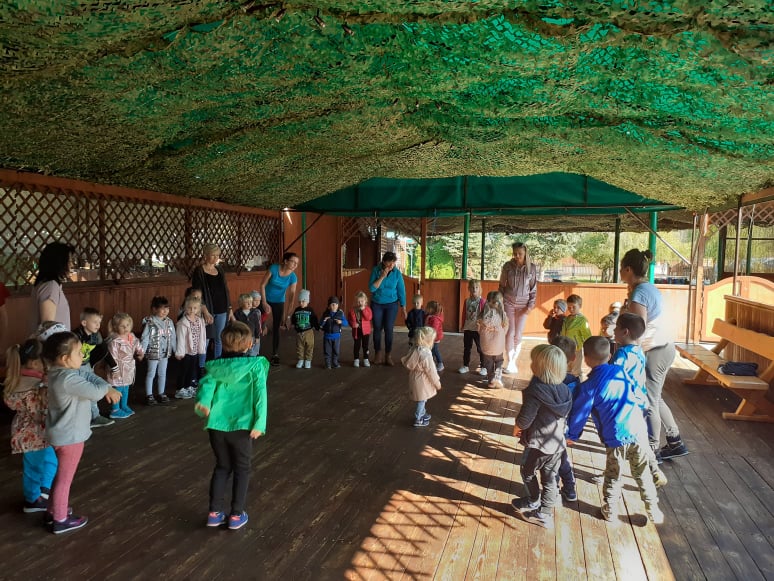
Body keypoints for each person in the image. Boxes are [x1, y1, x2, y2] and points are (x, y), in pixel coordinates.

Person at [567, 336, 663, 524]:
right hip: (638, 431)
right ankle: (653, 509)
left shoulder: (589, 387)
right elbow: (634, 391)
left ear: (586, 359)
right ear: (610, 355)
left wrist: (572, 435)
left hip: (616, 437)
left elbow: (580, 414)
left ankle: (610, 509)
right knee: (642, 473)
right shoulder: (621, 372)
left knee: (613, 474)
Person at [43, 331, 121, 534]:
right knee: (65, 479)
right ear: (64, 358)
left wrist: (105, 385)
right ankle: (60, 519)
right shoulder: (68, 379)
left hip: (62, 434)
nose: (83, 356)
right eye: (78, 353)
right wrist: (107, 388)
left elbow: (86, 374)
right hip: (70, 437)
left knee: (61, 475)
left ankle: (53, 510)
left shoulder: (59, 373)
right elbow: (95, 392)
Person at [195, 321, 268, 531]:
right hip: (243, 426)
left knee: (222, 466)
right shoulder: (255, 366)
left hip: (217, 426)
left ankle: (214, 513)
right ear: (249, 345)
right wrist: (259, 423)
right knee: (242, 469)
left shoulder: (214, 367)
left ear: (223, 344)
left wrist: (204, 404)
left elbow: (206, 388)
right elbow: (260, 396)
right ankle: (236, 515)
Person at [620, 248, 689, 461]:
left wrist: (630, 354)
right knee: (655, 397)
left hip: (654, 350)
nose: (620, 273)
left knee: (649, 401)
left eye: (621, 269)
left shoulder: (639, 293)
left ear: (628, 269)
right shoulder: (648, 288)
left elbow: (637, 328)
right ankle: (674, 440)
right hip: (665, 346)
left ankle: (652, 450)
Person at [511, 344, 572, 529]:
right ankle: (544, 513)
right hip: (557, 444)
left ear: (537, 367)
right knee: (550, 479)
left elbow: (525, 419)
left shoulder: (535, 391)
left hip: (538, 444)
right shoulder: (565, 389)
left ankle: (533, 500)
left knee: (527, 472)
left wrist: (517, 428)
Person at [612, 313, 668, 487]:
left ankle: (613, 474)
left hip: (625, 404)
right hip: (640, 402)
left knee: (618, 443)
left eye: (616, 327)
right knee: (641, 439)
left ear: (625, 332)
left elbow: (614, 376)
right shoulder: (639, 351)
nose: (613, 330)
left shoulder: (622, 354)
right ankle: (655, 469)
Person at [4, 338, 58, 513]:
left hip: (29, 432)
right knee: (35, 467)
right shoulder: (32, 386)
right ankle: (32, 500)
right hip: (33, 434)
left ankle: (42, 492)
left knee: (49, 461)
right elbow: (37, 414)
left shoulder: (20, 380)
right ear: (35, 363)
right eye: (46, 361)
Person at [74, 307, 118, 428]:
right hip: (75, 368)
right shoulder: (75, 337)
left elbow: (104, 350)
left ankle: (95, 416)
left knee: (92, 390)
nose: (98, 325)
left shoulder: (96, 336)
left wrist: (113, 365)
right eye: (95, 322)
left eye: (99, 322)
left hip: (87, 365)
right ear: (84, 323)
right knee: (81, 393)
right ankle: (84, 418)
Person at [550, 335, 581, 501]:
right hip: (564, 429)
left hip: (547, 429)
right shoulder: (575, 383)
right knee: (560, 457)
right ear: (573, 358)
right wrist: (574, 433)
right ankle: (569, 488)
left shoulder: (545, 380)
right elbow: (578, 411)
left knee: (553, 461)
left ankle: (553, 490)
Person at [498, 242, 537, 374]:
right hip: (508, 302)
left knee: (518, 334)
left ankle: (512, 362)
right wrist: (500, 302)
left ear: (525, 253)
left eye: (520, 253)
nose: (517, 256)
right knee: (510, 332)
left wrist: (530, 305)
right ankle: (509, 360)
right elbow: (501, 286)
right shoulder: (507, 266)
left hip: (523, 305)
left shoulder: (531, 268)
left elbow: (533, 289)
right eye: (515, 253)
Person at [191, 243, 234, 361]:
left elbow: (225, 290)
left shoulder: (219, 269)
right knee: (205, 339)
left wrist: (229, 308)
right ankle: (201, 366)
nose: (216, 258)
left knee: (219, 338)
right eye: (213, 255)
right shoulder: (199, 271)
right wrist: (205, 311)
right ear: (205, 256)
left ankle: (217, 363)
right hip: (207, 308)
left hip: (222, 307)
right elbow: (197, 293)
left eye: (217, 255)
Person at [261, 252, 299, 366]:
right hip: (266, 298)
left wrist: (288, 316)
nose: (295, 265)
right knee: (256, 323)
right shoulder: (274, 268)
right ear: (286, 261)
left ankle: (275, 354)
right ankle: (252, 351)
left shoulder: (293, 277)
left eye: (297, 263)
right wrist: (264, 302)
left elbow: (291, 298)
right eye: (293, 262)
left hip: (279, 301)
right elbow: (262, 285)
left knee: (277, 327)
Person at [369, 251, 407, 366]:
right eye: (389, 263)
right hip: (377, 303)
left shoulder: (397, 273)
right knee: (377, 328)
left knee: (389, 329)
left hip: (392, 304)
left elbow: (401, 291)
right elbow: (372, 288)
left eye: (393, 263)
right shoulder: (376, 270)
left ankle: (388, 355)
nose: (391, 265)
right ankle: (378, 354)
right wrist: (382, 276)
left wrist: (403, 307)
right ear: (384, 262)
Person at [402, 326, 442, 428]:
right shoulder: (426, 355)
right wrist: (437, 383)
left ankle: (422, 413)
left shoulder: (414, 349)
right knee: (422, 400)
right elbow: (431, 372)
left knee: (421, 398)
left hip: (414, 378)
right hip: (423, 380)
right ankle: (418, 418)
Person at [31, 242, 76, 332]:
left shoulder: (47, 284)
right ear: (59, 263)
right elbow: (47, 328)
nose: (72, 265)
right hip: (54, 341)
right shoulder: (50, 287)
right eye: (69, 261)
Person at [107, 313, 144, 419]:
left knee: (126, 387)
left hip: (129, 367)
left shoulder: (131, 337)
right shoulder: (114, 341)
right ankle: (115, 409)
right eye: (122, 326)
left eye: (127, 325)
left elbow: (138, 345)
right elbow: (112, 357)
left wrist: (141, 353)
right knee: (118, 388)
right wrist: (115, 370)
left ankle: (123, 405)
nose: (125, 328)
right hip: (117, 368)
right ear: (115, 327)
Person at [140, 297, 177, 406]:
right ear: (154, 309)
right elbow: (145, 338)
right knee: (151, 373)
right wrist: (142, 351)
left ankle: (161, 393)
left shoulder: (169, 322)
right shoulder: (150, 322)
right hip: (153, 352)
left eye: (167, 308)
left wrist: (176, 350)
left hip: (165, 353)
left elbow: (173, 337)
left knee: (162, 373)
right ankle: (149, 395)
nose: (165, 311)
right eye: (162, 308)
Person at [175, 297, 207, 399]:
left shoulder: (200, 321)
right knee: (183, 371)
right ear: (185, 308)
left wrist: (201, 349)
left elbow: (202, 336)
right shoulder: (183, 322)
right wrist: (180, 352)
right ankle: (180, 389)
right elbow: (180, 338)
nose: (192, 310)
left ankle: (188, 386)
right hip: (185, 352)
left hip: (195, 351)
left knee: (192, 370)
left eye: (195, 308)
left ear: (198, 309)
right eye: (189, 308)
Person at [478, 291, 508, 389]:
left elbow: (478, 329)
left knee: (488, 362)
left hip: (486, 345)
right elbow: (505, 329)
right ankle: (497, 378)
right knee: (499, 361)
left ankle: (491, 380)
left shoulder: (483, 315)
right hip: (498, 344)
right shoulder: (502, 315)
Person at [459, 280, 487, 376]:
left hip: (478, 330)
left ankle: (484, 366)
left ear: (480, 289)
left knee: (480, 348)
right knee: (467, 348)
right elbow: (464, 314)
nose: (474, 289)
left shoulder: (482, 301)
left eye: (476, 287)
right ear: (469, 289)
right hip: (468, 328)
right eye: (472, 287)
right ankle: (465, 366)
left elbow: (485, 316)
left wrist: (483, 327)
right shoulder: (467, 301)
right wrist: (463, 325)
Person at [560, 294, 592, 377]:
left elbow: (587, 335)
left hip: (576, 349)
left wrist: (589, 348)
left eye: (573, 307)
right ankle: (567, 383)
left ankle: (578, 383)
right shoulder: (567, 319)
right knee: (566, 369)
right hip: (566, 348)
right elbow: (563, 333)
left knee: (576, 370)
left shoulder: (583, 320)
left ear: (580, 306)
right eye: (569, 307)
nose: (571, 309)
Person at [291, 289, 318, 369]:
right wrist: (293, 324)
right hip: (299, 332)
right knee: (299, 346)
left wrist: (317, 327)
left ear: (307, 301)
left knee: (310, 346)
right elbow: (293, 319)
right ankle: (301, 359)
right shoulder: (297, 310)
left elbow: (314, 319)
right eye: (299, 301)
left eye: (303, 301)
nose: (301, 303)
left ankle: (308, 360)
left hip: (308, 331)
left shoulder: (310, 310)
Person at [348, 291, 373, 368]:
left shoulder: (368, 309)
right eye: (358, 301)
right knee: (357, 345)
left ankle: (366, 359)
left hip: (365, 331)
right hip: (357, 331)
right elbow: (349, 320)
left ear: (365, 301)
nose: (360, 303)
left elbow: (369, 318)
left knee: (365, 345)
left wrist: (363, 310)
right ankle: (356, 359)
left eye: (362, 301)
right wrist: (353, 324)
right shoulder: (352, 310)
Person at [320, 296, 347, 369]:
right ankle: (328, 364)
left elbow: (346, 323)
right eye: (332, 304)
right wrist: (324, 320)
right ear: (329, 306)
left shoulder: (340, 314)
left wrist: (341, 322)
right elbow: (320, 325)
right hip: (327, 336)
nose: (334, 306)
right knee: (327, 351)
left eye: (336, 304)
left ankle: (335, 362)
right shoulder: (325, 314)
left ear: (338, 305)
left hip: (336, 336)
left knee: (336, 351)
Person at [425, 301, 444, 372]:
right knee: (432, 349)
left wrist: (430, 338)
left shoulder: (435, 319)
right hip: (433, 336)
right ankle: (431, 362)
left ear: (432, 309)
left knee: (435, 350)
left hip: (435, 337)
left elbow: (433, 330)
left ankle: (440, 363)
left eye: (427, 308)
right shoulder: (432, 316)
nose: (426, 309)